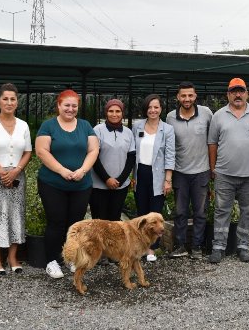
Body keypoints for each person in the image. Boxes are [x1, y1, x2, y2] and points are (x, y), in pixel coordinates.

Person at [35, 89, 99, 279]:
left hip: (81, 185)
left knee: (75, 225)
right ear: (59, 106)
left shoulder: (86, 126)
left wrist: (83, 170)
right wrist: (62, 170)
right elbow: (41, 151)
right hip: (53, 183)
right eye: (67, 105)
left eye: (74, 106)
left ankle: (71, 258)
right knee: (56, 222)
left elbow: (93, 150)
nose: (70, 109)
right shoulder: (48, 126)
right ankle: (52, 261)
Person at [207, 77, 249, 264]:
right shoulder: (218, 116)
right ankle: (218, 247)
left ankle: (244, 246)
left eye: (241, 91)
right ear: (228, 94)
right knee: (221, 211)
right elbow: (212, 143)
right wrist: (213, 168)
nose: (238, 94)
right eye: (234, 91)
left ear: (247, 93)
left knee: (248, 211)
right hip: (224, 174)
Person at [0, 83, 32, 275]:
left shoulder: (23, 125)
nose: (9, 103)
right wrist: (2, 172)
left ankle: (12, 257)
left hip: (17, 175)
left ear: (17, 102)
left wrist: (16, 171)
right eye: (5, 99)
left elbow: (28, 152)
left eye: (13, 99)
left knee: (16, 214)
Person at [165, 82, 213, 259]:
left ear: (195, 96)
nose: (187, 99)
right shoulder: (170, 117)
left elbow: (214, 140)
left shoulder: (207, 113)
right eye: (183, 96)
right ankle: (180, 245)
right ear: (178, 97)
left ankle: (197, 246)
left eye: (190, 95)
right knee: (180, 211)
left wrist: (213, 168)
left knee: (200, 212)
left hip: (201, 171)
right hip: (180, 172)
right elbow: (168, 145)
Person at [132, 94, 175, 261]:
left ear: (161, 109)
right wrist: (132, 175)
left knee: (155, 213)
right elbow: (132, 151)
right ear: (146, 109)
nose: (153, 110)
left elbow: (170, 155)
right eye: (150, 107)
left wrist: (168, 179)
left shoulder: (168, 130)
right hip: (140, 172)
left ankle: (152, 249)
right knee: (142, 213)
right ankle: (141, 246)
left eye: (156, 107)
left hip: (158, 174)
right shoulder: (137, 126)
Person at [90, 99, 136, 221]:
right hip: (99, 185)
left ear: (122, 113)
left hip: (120, 186)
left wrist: (120, 181)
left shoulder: (128, 133)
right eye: (111, 111)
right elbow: (93, 157)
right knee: (99, 222)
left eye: (118, 111)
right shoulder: (97, 130)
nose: (114, 114)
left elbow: (131, 158)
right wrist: (107, 179)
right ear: (106, 112)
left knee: (115, 221)